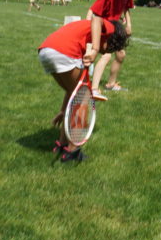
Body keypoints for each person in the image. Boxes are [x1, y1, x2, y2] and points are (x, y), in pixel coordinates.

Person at [38, 18, 129, 162]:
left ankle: (62, 144)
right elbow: (97, 20)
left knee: (74, 92)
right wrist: (95, 50)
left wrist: (63, 111)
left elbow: (71, 92)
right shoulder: (110, 27)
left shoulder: (87, 35)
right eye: (109, 48)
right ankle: (72, 151)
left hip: (46, 51)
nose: (106, 52)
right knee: (84, 98)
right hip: (64, 51)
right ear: (111, 38)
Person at [87, 0, 135, 101]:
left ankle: (110, 84)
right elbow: (94, 12)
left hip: (115, 28)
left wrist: (129, 25)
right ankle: (94, 89)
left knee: (120, 54)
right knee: (107, 55)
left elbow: (126, 9)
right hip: (103, 27)